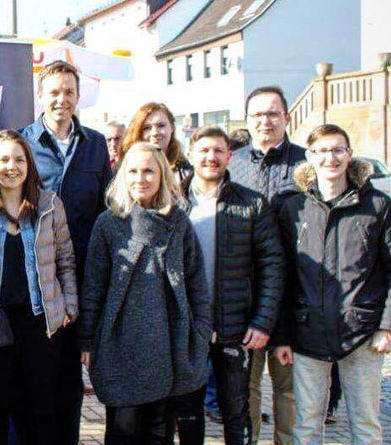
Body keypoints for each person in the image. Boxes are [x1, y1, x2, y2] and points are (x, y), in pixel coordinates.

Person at [79, 141, 212, 444]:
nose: (141, 178)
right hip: (120, 344)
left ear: (162, 175)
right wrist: (87, 341)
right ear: (123, 176)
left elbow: (196, 284)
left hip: (168, 343)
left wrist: (201, 332)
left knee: (159, 430)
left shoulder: (179, 223)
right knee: (122, 429)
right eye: (134, 171)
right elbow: (94, 288)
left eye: (149, 171)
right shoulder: (108, 224)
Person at [274, 124, 391, 444]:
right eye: (322, 151)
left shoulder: (378, 205)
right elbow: (282, 277)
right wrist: (282, 335)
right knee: (307, 424)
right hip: (306, 332)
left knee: (365, 426)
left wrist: (386, 325)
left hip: (362, 333)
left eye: (338, 149)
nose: (331, 158)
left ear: (350, 154)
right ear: (309, 156)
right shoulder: (292, 208)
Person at [20, 61, 112, 443]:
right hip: (38, 278)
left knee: (72, 377)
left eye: (68, 92)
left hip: (84, 276)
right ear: (41, 96)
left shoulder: (96, 144)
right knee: (39, 375)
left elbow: (107, 208)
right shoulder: (23, 142)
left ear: (78, 96)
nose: (61, 99)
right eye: (54, 92)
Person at [175, 125, 285, 445]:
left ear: (229, 156)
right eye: (204, 150)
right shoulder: (170, 203)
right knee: (188, 411)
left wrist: (263, 321)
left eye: (218, 151)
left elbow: (272, 266)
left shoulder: (252, 204)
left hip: (235, 328)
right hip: (188, 328)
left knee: (236, 411)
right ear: (191, 154)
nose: (211, 157)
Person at [0, 130, 78, 444]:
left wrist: (69, 306)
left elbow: (66, 259)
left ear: (29, 165)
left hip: (40, 324)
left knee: (40, 411)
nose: (11, 166)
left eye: (19, 159)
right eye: (3, 159)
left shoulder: (49, 205)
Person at [228, 86, 306, 445]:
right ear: (247, 120)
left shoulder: (307, 163)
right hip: (247, 295)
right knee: (247, 393)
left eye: (273, 113)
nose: (266, 121)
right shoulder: (234, 163)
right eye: (258, 114)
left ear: (286, 118)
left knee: (290, 395)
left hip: (296, 294)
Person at [122, 102, 193, 183]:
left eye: (161, 125)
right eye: (147, 128)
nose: (155, 132)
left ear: (172, 128)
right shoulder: (125, 170)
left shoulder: (187, 173)